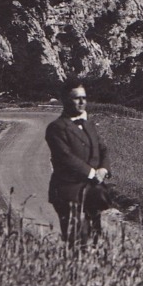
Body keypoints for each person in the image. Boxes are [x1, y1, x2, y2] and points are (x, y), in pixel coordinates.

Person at [45, 79, 110, 247]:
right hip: (69, 191)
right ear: (65, 100)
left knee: (95, 238)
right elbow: (65, 157)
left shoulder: (89, 124)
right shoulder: (56, 128)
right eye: (76, 98)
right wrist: (91, 173)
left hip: (93, 191)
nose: (82, 102)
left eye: (84, 97)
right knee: (76, 241)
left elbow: (102, 149)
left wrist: (103, 169)